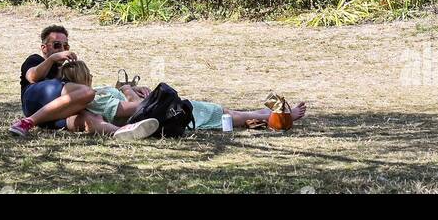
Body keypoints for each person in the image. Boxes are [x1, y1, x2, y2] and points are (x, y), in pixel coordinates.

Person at [56, 59, 308, 131]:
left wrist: (133, 89)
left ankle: (271, 112)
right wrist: (128, 90)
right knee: (223, 114)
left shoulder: (91, 97)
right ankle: (279, 117)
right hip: (163, 114)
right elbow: (134, 109)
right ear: (85, 79)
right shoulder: (96, 99)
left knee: (226, 112)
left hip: (160, 109)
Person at [9, 25, 159, 141]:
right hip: (34, 101)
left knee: (90, 118)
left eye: (65, 46)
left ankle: (122, 131)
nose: (62, 49)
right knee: (88, 93)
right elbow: (32, 77)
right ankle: (27, 122)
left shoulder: (66, 70)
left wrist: (129, 89)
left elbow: (85, 90)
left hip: (52, 115)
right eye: (57, 45)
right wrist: (53, 58)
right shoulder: (35, 60)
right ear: (44, 48)